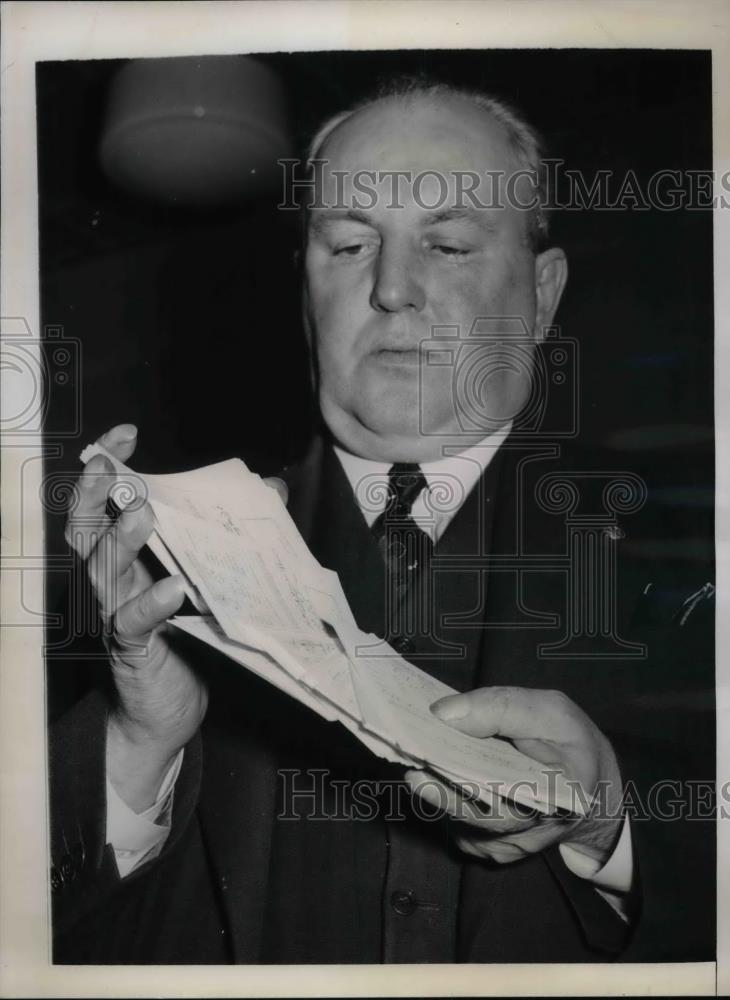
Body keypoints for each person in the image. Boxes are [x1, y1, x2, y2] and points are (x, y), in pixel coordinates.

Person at [49, 79, 714, 963]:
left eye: (447, 245)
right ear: (304, 291)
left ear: (543, 293)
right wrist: (140, 740)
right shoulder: (155, 564)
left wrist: (615, 828)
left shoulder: (697, 552)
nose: (393, 289)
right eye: (350, 243)